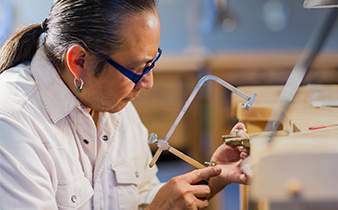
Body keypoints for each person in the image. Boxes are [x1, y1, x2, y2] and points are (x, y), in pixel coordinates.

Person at [0, 0, 250, 209]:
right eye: (135, 68)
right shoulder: (12, 122)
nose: (148, 82)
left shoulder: (112, 106)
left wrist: (211, 178)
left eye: (151, 63)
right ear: (78, 61)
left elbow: (142, 197)